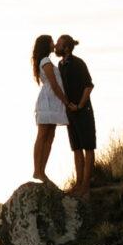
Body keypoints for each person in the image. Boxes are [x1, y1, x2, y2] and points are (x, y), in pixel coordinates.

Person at [55, 34, 96, 197]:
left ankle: (86, 185)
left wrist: (79, 105)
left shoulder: (78, 63)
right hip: (69, 113)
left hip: (83, 111)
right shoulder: (60, 65)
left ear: (66, 48)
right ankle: (78, 184)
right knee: (76, 148)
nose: (56, 46)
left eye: (58, 44)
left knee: (88, 147)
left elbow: (88, 86)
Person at [32, 33, 70, 187]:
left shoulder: (46, 61)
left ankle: (42, 170)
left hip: (53, 103)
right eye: (51, 42)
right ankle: (37, 170)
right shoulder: (45, 61)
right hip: (48, 102)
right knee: (42, 135)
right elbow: (54, 84)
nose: (54, 44)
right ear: (46, 45)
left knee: (50, 136)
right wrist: (66, 101)